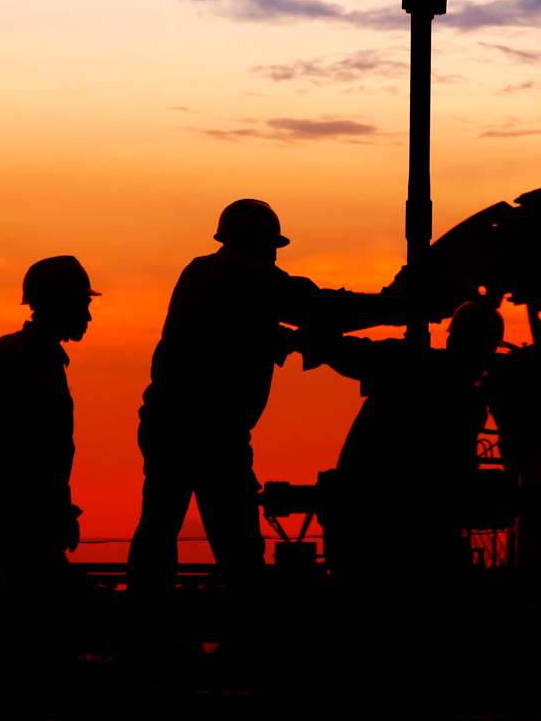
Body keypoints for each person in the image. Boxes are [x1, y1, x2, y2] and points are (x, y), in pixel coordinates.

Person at [128, 199, 405, 583]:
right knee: (237, 541)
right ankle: (249, 628)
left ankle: (145, 619)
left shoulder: (200, 272)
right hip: (211, 432)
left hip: (166, 424)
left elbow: (228, 330)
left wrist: (288, 339)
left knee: (158, 529)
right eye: (274, 249)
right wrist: (390, 306)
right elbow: (315, 307)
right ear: (263, 245)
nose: (276, 257)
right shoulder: (250, 276)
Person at [303, 300, 501, 578]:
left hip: (357, 525)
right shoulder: (466, 404)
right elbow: (458, 475)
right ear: (485, 351)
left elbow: (352, 353)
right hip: (406, 534)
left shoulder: (405, 363)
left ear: (452, 338)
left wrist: (308, 340)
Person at [0, 255, 97, 594]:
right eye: (82, 305)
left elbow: (49, 451)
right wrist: (17, 515)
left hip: (33, 513)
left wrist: (59, 510)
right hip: (15, 514)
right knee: (35, 612)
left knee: (42, 613)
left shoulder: (44, 361)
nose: (88, 316)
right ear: (59, 306)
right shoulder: (13, 358)